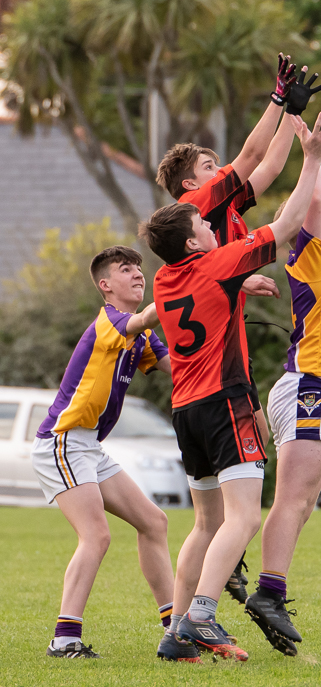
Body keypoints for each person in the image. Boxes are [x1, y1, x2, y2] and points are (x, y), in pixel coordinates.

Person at [139, 110, 321, 663]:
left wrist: (238, 278)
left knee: (205, 524)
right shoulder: (215, 262)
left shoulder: (166, 275)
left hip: (184, 409)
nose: (211, 226)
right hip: (226, 402)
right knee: (244, 517)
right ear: (196, 242)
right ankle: (203, 614)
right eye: (203, 226)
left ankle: (175, 632)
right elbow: (291, 223)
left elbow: (204, 285)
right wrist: (314, 159)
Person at [245, 104, 321, 657]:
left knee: (304, 501)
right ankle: (268, 592)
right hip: (310, 385)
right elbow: (316, 201)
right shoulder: (310, 252)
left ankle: (265, 588)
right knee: (290, 500)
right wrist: (312, 154)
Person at [31, 246, 174, 659]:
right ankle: (63, 639)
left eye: (139, 269)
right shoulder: (112, 322)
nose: (137, 275)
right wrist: (189, 281)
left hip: (88, 445)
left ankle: (175, 627)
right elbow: (147, 316)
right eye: (126, 270)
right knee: (96, 535)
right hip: (62, 440)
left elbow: (178, 368)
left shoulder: (139, 334)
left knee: (154, 522)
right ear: (105, 286)